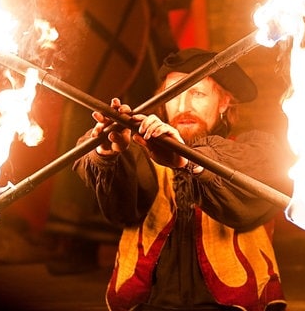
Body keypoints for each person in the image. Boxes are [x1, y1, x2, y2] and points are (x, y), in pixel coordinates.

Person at [36, 0, 197, 274]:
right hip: (96, 63)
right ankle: (75, 240)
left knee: (143, 140)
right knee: (85, 137)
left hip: (146, 58)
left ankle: (150, 240)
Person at [72, 48, 291, 311]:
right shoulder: (140, 154)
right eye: (173, 94)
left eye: (197, 93)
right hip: (149, 306)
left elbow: (255, 181)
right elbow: (120, 206)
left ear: (224, 103)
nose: (184, 107)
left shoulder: (254, 148)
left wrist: (188, 161)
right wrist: (108, 151)